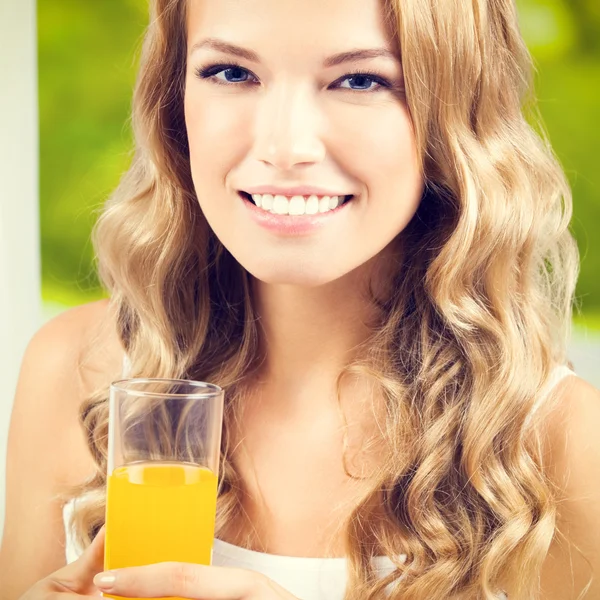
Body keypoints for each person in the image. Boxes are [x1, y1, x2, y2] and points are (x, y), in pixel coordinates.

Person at [2, 0, 600, 598]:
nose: (285, 148)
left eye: (361, 79)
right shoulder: (76, 368)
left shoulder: (560, 443)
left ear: (457, 109)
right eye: (231, 74)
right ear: (173, 101)